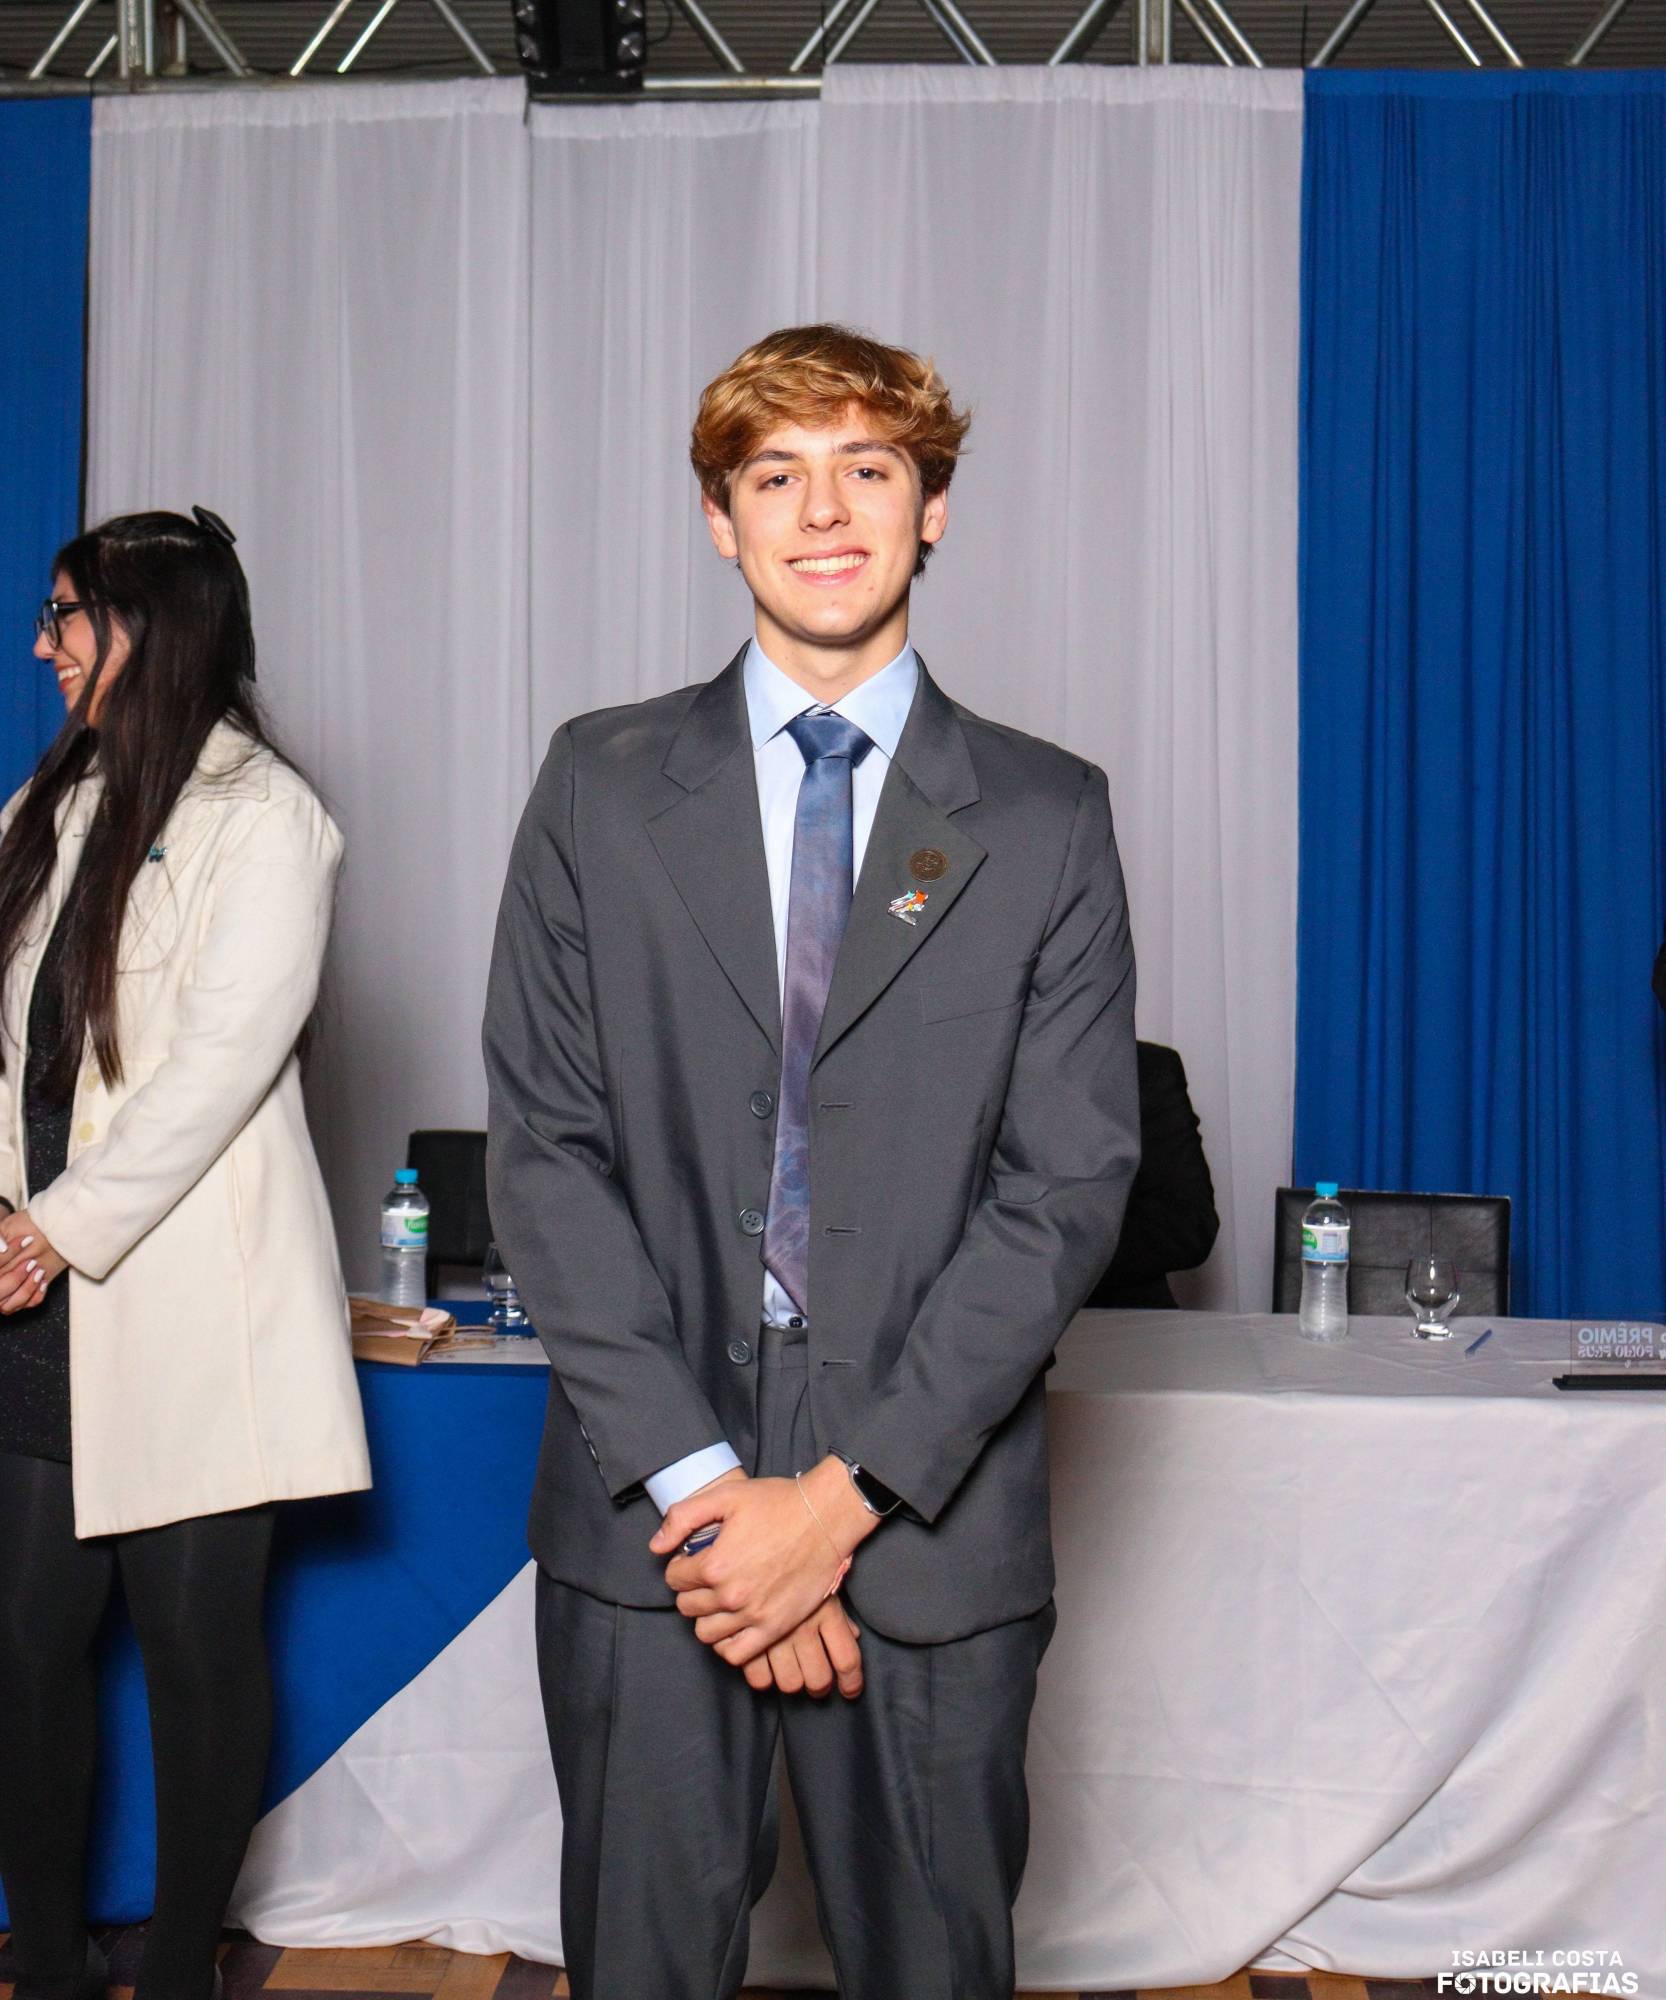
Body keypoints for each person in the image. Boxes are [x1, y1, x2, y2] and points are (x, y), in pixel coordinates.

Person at [485, 324, 1140, 1999]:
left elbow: (1063, 1190)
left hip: (926, 1529)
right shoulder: (596, 784)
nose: (825, 510)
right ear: (721, 519)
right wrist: (717, 1505)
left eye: (870, 468)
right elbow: (547, 1150)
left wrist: (833, 1505)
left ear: (934, 507)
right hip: (652, 1529)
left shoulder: (1048, 817)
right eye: (776, 475)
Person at [0, 511, 371, 2000]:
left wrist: (54, 1228)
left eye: (67, 615)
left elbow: (219, 1064)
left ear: (150, 626)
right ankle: (45, 1959)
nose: (43, 644)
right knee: (27, 1647)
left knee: (195, 1651)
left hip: (184, 1302)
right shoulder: (48, 801)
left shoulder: (268, 816)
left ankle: (173, 1972)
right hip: (36, 1303)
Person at [1086, 1039, 1218, 1309]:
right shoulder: (993, 1071)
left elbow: (1189, 1224)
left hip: (1116, 1316)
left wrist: (1057, 1253)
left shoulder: (1145, 1068)